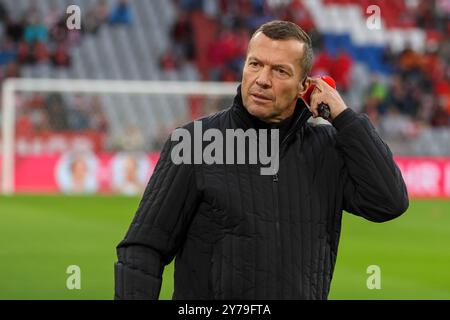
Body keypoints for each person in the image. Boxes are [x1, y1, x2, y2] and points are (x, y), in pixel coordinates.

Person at [114, 20, 409, 300]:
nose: (262, 80)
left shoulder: (328, 149)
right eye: (255, 64)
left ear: (304, 86)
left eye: (280, 71)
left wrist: (344, 118)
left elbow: (389, 201)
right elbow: (143, 249)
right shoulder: (194, 143)